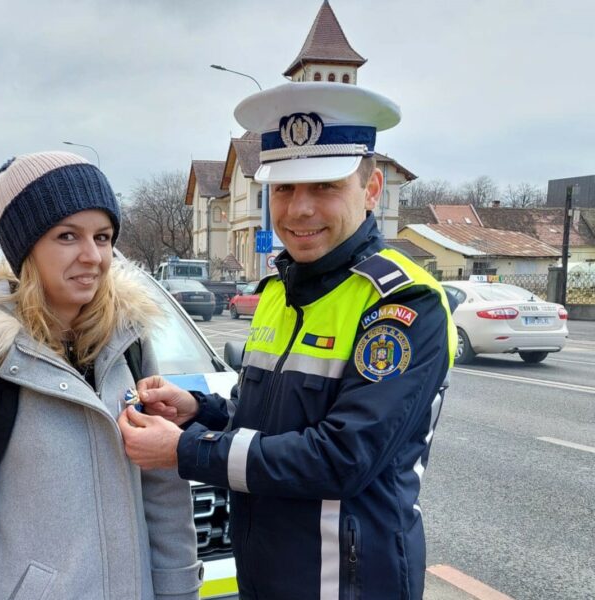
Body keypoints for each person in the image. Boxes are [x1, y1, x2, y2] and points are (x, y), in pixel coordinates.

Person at [119, 83, 457, 599]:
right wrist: (199, 411)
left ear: (371, 190)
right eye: (283, 189)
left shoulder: (402, 302)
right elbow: (261, 421)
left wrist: (185, 450)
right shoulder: (278, 291)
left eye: (324, 186)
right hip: (267, 573)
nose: (299, 210)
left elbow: (342, 457)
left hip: (349, 583)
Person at [0, 151, 202, 600]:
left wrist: (178, 590)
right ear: (26, 246)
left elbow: (162, 495)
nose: (92, 256)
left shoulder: (130, 341)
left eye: (103, 237)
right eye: (67, 236)